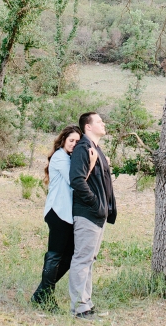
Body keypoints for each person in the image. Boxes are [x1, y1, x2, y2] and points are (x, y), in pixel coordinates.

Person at [30, 125, 95, 308]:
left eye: (77, 141)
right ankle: (45, 297)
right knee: (55, 255)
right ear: (63, 140)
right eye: (71, 140)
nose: (74, 144)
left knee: (69, 254)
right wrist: (90, 164)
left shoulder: (67, 157)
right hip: (57, 212)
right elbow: (75, 181)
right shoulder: (60, 157)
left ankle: (42, 292)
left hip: (66, 215)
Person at [68, 111, 116, 318]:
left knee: (89, 260)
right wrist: (96, 204)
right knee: (82, 260)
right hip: (88, 214)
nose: (103, 123)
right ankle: (80, 308)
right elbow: (77, 180)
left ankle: (86, 303)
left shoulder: (96, 149)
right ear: (88, 127)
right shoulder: (83, 149)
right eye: (99, 121)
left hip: (98, 215)